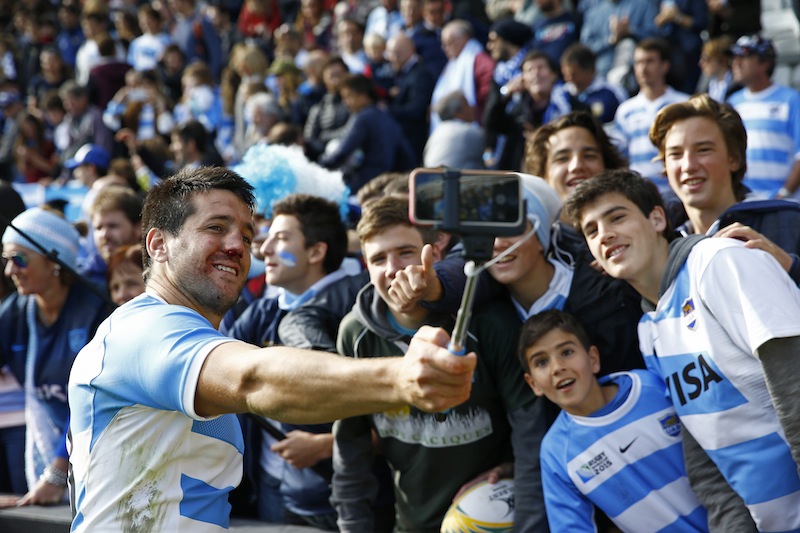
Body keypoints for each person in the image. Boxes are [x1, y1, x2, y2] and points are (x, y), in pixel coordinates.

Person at [67, 166, 476, 531]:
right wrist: (401, 376)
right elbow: (254, 378)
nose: (239, 246)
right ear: (158, 245)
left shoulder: (191, 333)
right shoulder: (143, 329)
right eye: (215, 227)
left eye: (246, 235)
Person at [563, 169, 800, 532]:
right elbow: (706, 461)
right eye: (591, 231)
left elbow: (795, 383)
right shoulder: (650, 329)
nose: (605, 234)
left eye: (616, 217)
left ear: (657, 218)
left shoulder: (719, 260)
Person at [331, 194, 547, 532]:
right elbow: (350, 450)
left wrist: (514, 470)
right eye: (378, 259)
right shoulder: (355, 335)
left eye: (405, 252)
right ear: (365, 266)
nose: (392, 270)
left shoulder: (488, 323)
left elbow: (532, 430)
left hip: (495, 519)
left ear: (437, 253)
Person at [222, 193, 359, 528]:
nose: (263, 249)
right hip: (269, 487)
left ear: (317, 251)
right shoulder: (262, 311)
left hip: (344, 497)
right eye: (264, 238)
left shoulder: (358, 312)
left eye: (280, 238)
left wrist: (327, 445)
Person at [520, 309, 707, 532]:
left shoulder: (652, 384)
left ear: (593, 359)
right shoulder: (556, 451)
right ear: (533, 384)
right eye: (541, 362)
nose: (557, 367)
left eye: (567, 352)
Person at [0, 207, 112, 507]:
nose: (10, 271)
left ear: (54, 262)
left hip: (107, 449)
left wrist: (59, 472)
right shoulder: (14, 312)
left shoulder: (99, 309)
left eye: (19, 259)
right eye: (6, 260)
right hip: (53, 446)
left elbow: (94, 398)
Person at [649, 93, 800, 284]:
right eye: (675, 154)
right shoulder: (655, 241)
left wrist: (791, 268)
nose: (688, 165)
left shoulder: (788, 223)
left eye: (703, 150)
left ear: (734, 159)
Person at [524, 111, 628, 264]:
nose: (577, 166)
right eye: (562, 158)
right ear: (542, 175)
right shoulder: (529, 244)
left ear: (607, 167)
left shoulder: (631, 234)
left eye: (589, 156)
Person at [727, 35, 800, 200]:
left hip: (783, 204)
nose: (735, 63)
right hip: (744, 201)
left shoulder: (792, 100)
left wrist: (784, 194)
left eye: (743, 57)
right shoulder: (732, 103)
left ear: (765, 62)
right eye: (735, 57)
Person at [612, 38, 689, 194]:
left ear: (664, 66)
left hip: (678, 192)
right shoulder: (625, 110)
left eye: (649, 61)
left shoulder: (684, 104)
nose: (643, 68)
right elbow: (620, 157)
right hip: (640, 194)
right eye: (638, 62)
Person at [319, 74, 415, 193]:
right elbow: (407, 155)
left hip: (367, 185)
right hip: (389, 183)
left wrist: (319, 166)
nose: (345, 102)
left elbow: (343, 151)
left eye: (349, 96)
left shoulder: (364, 117)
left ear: (364, 96)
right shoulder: (385, 115)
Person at [430, 20, 495, 130]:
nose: (444, 48)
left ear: (462, 39)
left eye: (448, 43)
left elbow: (489, 87)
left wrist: (476, 107)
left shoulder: (477, 59)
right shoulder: (452, 65)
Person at [386, 33, 435, 165]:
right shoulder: (403, 73)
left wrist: (387, 111)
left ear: (411, 50)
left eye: (398, 53)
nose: (393, 58)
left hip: (413, 143)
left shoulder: (420, 74)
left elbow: (417, 110)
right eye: (390, 53)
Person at [560, 43, 628, 124]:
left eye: (573, 74)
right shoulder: (562, 94)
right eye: (565, 74)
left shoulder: (612, 91)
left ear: (590, 70)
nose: (568, 79)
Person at [423, 89, 485, 169]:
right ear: (457, 112)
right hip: (459, 180)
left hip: (431, 179)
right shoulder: (468, 131)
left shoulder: (435, 133)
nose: (472, 107)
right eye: (467, 104)